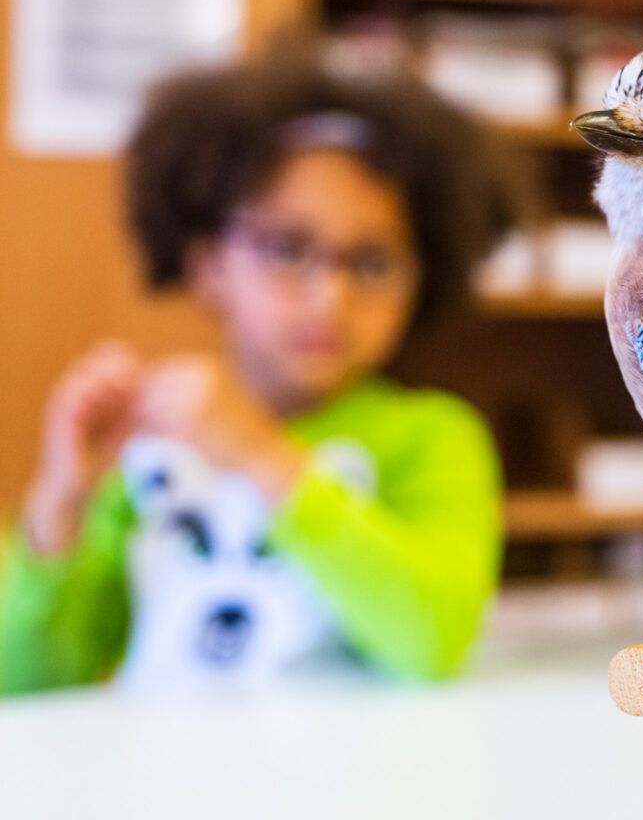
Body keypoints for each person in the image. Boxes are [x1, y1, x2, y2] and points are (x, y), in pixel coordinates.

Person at [0, 38, 505, 692]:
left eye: (374, 262)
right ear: (210, 264)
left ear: (421, 279)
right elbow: (28, 681)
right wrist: (61, 498)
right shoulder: (155, 441)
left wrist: (259, 455)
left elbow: (432, 642)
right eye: (288, 248)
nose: (331, 295)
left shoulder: (435, 438)